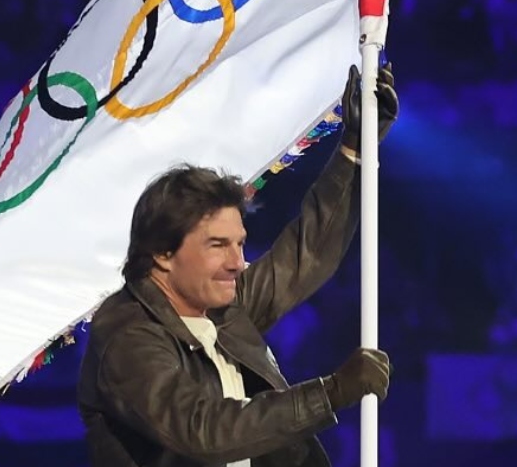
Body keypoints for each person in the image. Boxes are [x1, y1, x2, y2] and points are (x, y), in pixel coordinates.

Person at [77, 63, 400, 466]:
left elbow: (306, 253)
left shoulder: (222, 306)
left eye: (240, 244)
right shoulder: (127, 334)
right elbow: (201, 430)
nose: (238, 263)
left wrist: (354, 149)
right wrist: (330, 392)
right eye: (217, 245)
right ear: (162, 252)